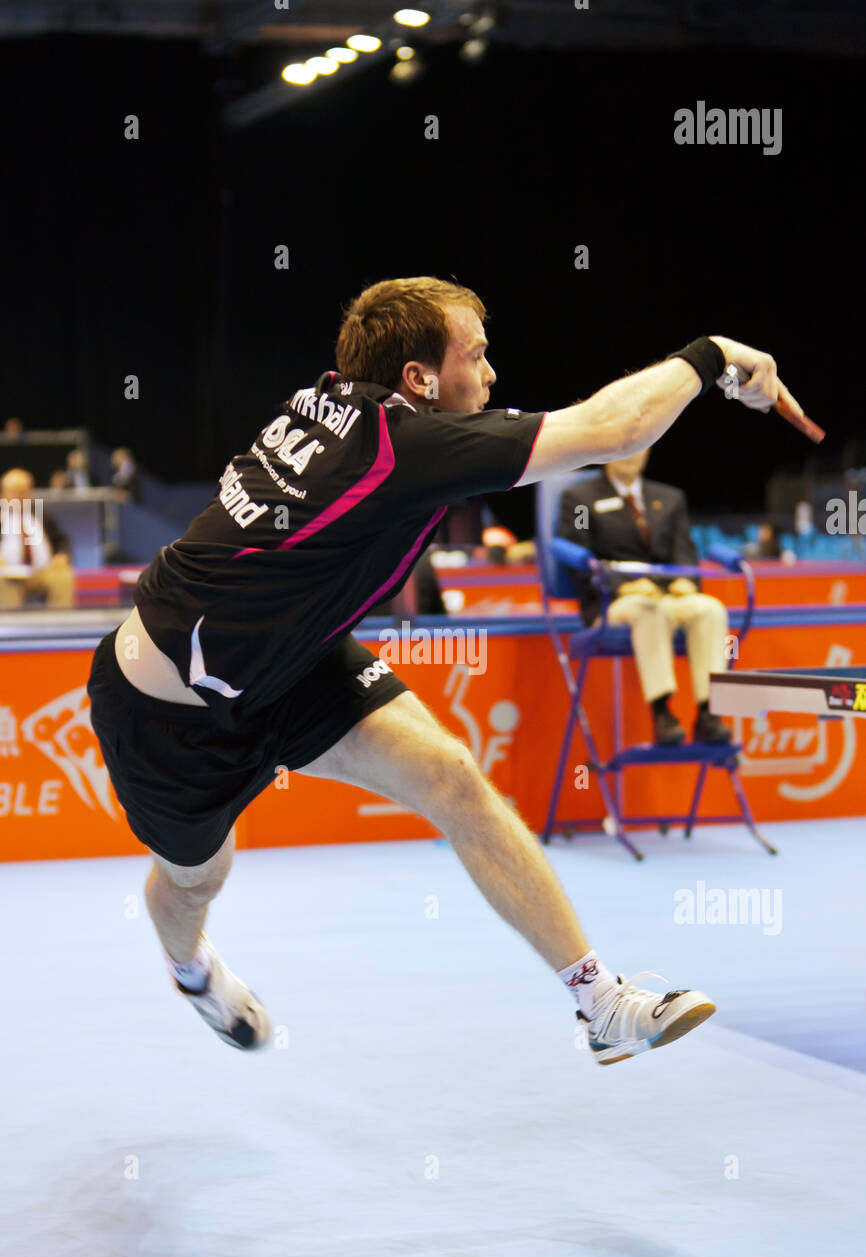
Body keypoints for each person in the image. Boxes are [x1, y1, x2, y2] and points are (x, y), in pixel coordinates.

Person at [86, 276, 802, 1066]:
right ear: (419, 380)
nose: (491, 374)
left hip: (289, 664)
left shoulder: (338, 405)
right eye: (477, 354)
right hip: (166, 714)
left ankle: (601, 1004)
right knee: (194, 881)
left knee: (453, 776)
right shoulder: (403, 447)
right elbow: (615, 427)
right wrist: (716, 356)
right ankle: (191, 973)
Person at [558, 447, 732, 745]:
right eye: (623, 445)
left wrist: (686, 581)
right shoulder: (581, 500)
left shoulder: (669, 498)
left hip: (669, 595)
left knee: (709, 609)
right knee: (649, 610)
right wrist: (620, 586)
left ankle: (708, 713)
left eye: (639, 445)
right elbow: (579, 558)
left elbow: (685, 553)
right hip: (613, 601)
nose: (632, 452)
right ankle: (662, 713)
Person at [0, 468, 74, 607]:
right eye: (16, 491)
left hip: (42, 572)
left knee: (62, 576)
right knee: (4, 581)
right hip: (8, 574)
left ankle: (61, 623)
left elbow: (61, 539)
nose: (21, 496)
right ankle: (11, 626)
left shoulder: (41, 515)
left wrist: (62, 555)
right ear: (3, 494)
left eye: (24, 491)